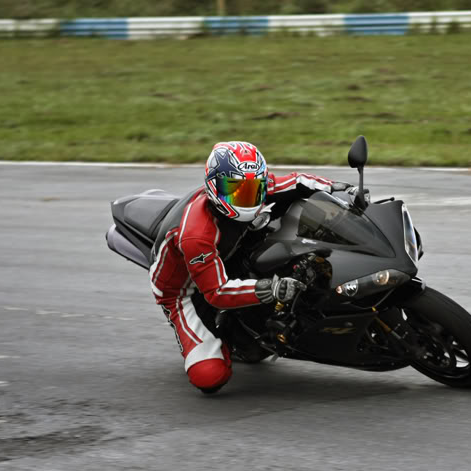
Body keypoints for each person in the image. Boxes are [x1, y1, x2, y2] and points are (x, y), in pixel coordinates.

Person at [149, 141, 351, 394]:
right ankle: (229, 338)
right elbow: (217, 293)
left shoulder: (255, 184)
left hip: (228, 257)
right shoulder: (196, 234)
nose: (245, 198)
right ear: (214, 186)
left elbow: (298, 181)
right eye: (234, 190)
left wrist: (338, 189)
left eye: (252, 189)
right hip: (185, 291)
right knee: (210, 377)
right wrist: (272, 288)